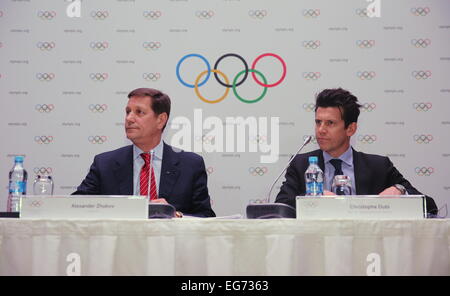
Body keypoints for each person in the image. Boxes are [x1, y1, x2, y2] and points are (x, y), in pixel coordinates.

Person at [275, 88, 438, 215]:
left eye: (330, 123)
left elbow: (429, 207)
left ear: (351, 129)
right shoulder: (301, 164)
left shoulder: (378, 166)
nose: (321, 130)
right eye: (318, 122)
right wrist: (313, 199)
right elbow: (280, 207)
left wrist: (400, 190)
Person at [73, 88, 215, 218]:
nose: (129, 118)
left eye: (139, 112)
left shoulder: (190, 165)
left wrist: (174, 215)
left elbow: (206, 217)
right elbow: (75, 207)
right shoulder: (105, 163)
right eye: (128, 111)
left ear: (161, 120)